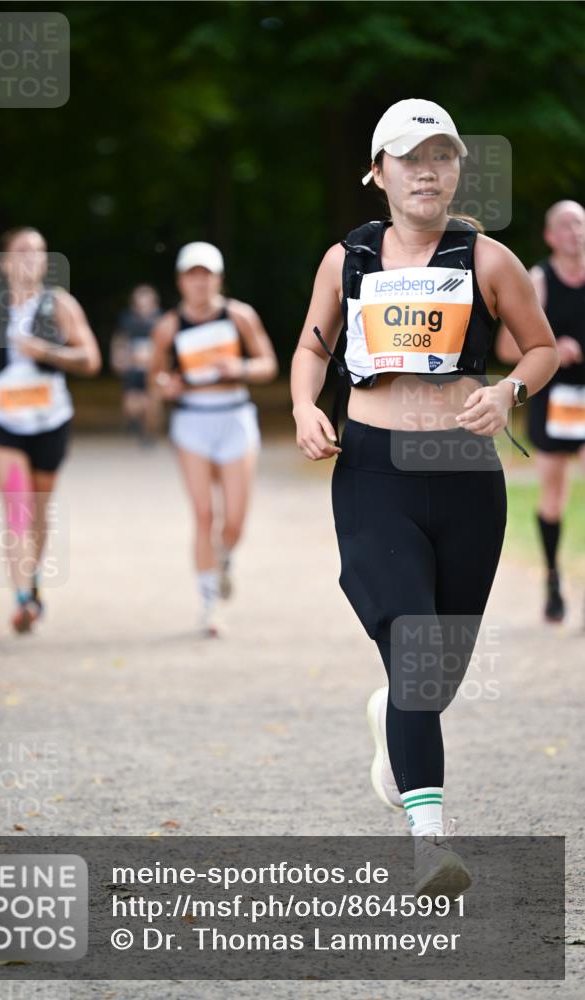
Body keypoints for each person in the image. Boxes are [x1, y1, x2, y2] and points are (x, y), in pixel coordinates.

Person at [290, 99, 559, 897]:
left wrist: (508, 390)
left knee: (432, 678)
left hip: (466, 474)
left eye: (439, 155)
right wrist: (307, 405)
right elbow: (312, 344)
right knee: (413, 649)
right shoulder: (348, 259)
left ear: (455, 170)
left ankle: (393, 721)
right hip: (374, 473)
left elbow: (541, 348)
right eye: (408, 158)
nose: (426, 171)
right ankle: (427, 842)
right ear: (377, 172)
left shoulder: (488, 259)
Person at [0, 226, 101, 633]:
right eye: (22, 251)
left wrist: (47, 351)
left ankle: (31, 581)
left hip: (49, 420)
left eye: (39, 251)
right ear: (4, 262)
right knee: (17, 507)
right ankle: (22, 599)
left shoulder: (60, 305)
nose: (31, 258)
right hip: (2, 421)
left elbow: (91, 360)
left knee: (38, 511)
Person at [150, 241, 278, 636]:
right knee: (204, 514)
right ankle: (209, 606)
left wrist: (237, 366)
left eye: (207, 274)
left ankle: (224, 558)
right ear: (181, 281)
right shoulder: (169, 326)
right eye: (192, 275)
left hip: (234, 416)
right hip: (192, 422)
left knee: (235, 520)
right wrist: (166, 386)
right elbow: (155, 379)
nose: (200, 283)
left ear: (218, 278)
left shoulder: (239, 316)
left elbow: (268, 364)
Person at [496, 201, 585, 623]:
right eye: (567, 226)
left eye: (581, 224)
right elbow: (506, 348)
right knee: (554, 492)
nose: (576, 232)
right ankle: (552, 578)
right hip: (554, 399)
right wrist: (557, 349)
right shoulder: (538, 280)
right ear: (551, 236)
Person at [110, 284, 163, 444]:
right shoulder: (127, 320)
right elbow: (119, 341)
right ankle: (138, 423)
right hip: (133, 367)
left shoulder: (162, 319)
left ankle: (150, 434)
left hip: (153, 367)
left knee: (152, 402)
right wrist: (118, 358)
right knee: (132, 405)